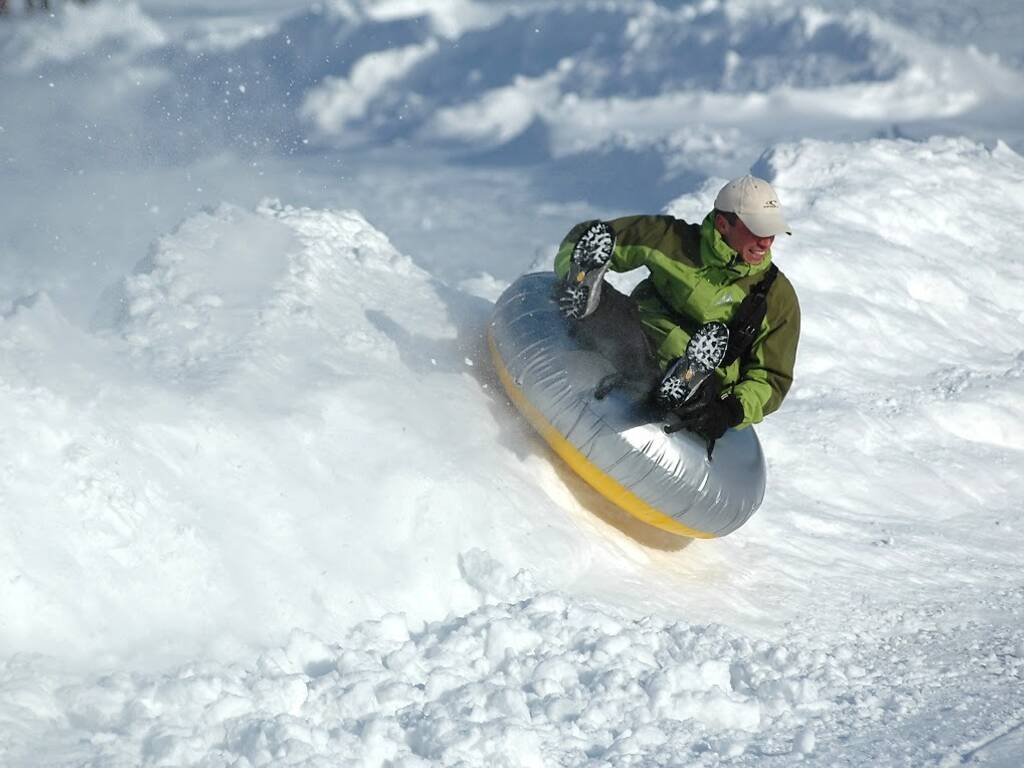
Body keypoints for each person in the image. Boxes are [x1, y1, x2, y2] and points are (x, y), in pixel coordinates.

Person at [553, 174, 800, 443]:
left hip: (705, 380)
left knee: (695, 392)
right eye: (756, 230)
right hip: (636, 336)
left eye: (771, 232)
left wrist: (730, 410)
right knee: (612, 317)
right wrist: (572, 271)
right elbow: (591, 238)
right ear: (723, 224)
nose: (766, 242)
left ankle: (680, 383)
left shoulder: (776, 297)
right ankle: (583, 289)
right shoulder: (672, 240)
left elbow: (770, 379)